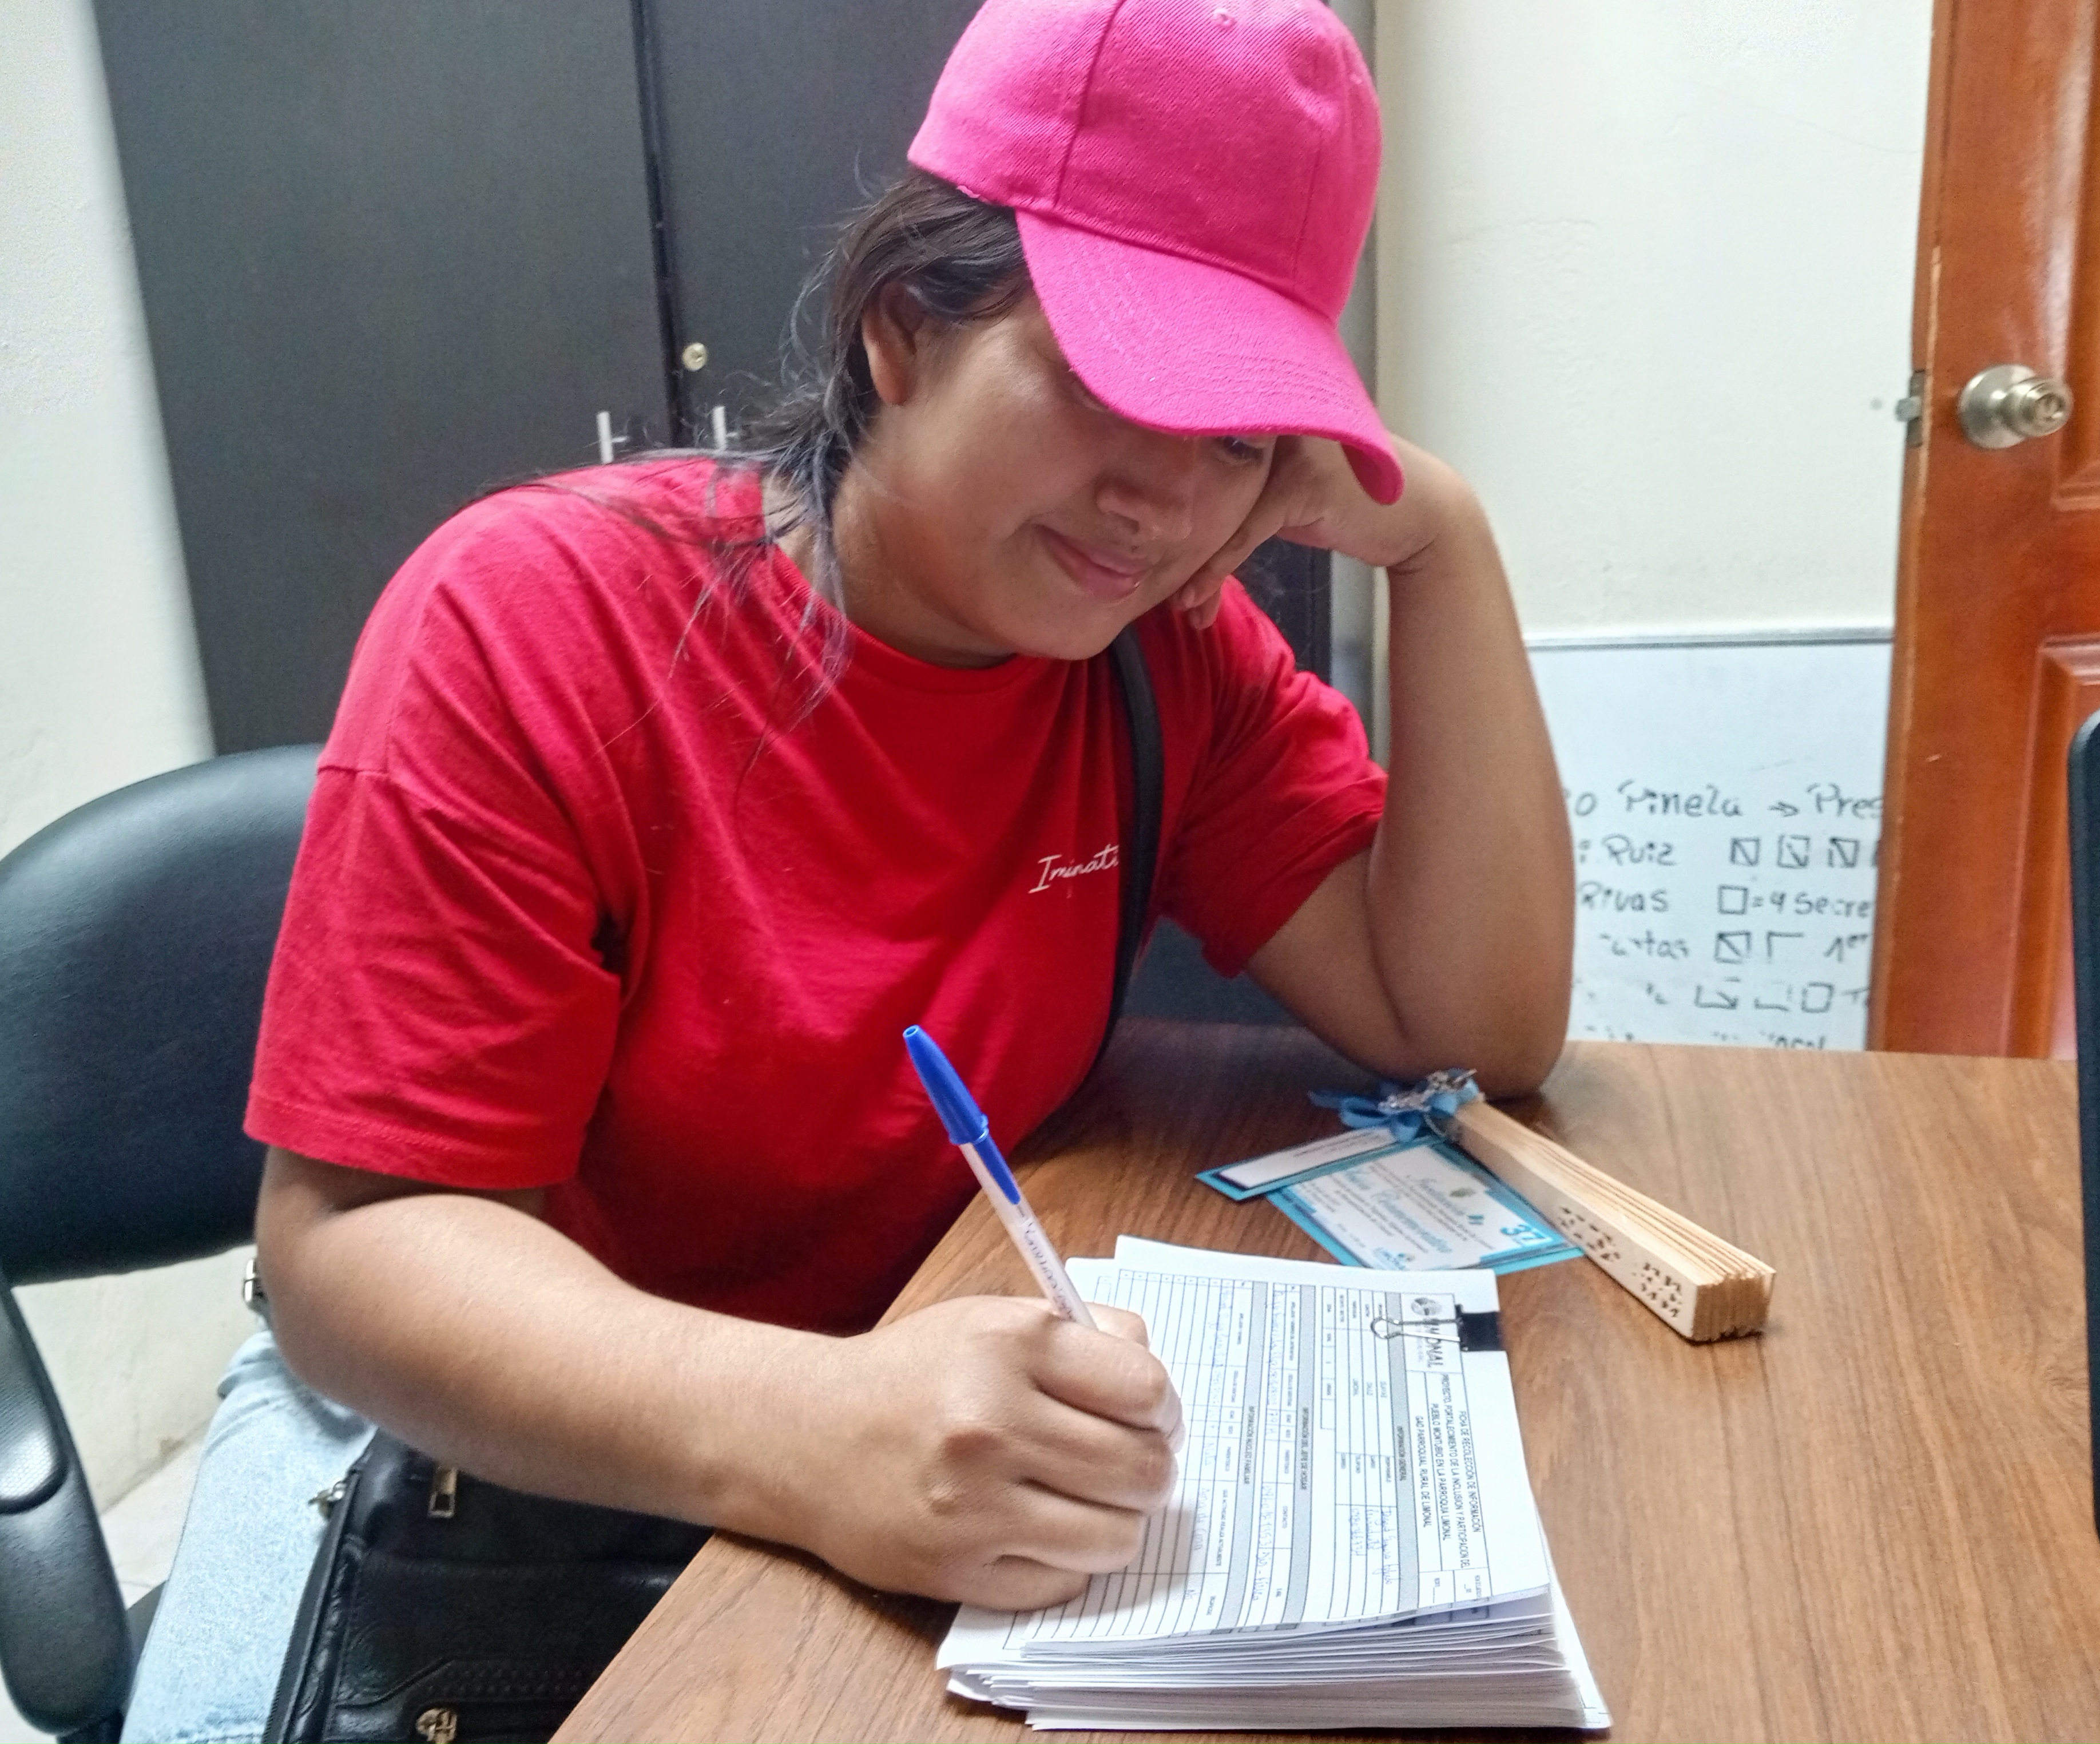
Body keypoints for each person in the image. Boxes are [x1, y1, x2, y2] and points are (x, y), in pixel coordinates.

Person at [120, 1, 1571, 1737]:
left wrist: (1443, 544)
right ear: (903, 326)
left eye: (1242, 435)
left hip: (930, 1460)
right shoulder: (539, 622)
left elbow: (1467, 1027)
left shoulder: (1162, 662)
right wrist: (810, 1427)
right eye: (1117, 380)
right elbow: (353, 1248)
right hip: (552, 1475)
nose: (1166, 503)